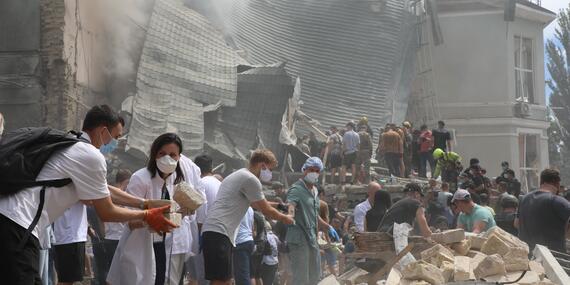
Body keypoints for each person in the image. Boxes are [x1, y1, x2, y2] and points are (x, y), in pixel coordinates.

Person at [0, 105, 175, 285]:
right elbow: (106, 212)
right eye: (115, 137)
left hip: (10, 219)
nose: (115, 143)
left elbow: (103, 189)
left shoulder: (73, 143)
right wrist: (148, 215)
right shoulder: (90, 155)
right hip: (17, 224)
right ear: (102, 131)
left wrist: (144, 203)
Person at [107, 133, 204, 285]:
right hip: (142, 245)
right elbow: (130, 220)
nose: (167, 158)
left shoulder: (177, 182)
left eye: (173, 155)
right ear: (154, 154)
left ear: (179, 157)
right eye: (162, 153)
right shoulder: (141, 178)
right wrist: (150, 219)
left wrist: (183, 213)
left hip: (168, 246)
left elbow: (170, 216)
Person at [201, 149, 294, 285]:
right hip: (219, 232)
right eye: (269, 169)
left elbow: (257, 203)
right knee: (221, 280)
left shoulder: (239, 175)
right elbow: (265, 209)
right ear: (262, 165)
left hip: (217, 232)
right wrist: (286, 218)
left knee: (224, 280)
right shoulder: (251, 179)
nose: (270, 173)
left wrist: (281, 206)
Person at [286, 157, 340, 285]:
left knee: (315, 275)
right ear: (304, 170)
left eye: (317, 170)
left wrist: (328, 227)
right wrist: (290, 215)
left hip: (311, 238)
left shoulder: (314, 191)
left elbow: (315, 215)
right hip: (299, 238)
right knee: (301, 277)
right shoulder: (296, 189)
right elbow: (291, 205)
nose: (314, 173)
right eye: (311, 170)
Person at [516, 169, 570, 253]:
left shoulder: (524, 199)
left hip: (528, 256)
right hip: (553, 259)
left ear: (541, 181)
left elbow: (516, 223)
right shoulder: (557, 201)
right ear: (558, 184)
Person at [101, 169, 132, 282]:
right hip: (118, 238)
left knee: (110, 271)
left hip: (109, 237)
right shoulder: (121, 196)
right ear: (126, 181)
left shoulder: (107, 194)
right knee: (119, 271)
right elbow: (125, 219)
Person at [53, 202, 88, 285]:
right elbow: (92, 199)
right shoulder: (75, 188)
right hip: (71, 236)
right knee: (67, 281)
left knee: (67, 279)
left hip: (68, 236)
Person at [233, 208, 255, 285]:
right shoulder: (250, 209)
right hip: (249, 240)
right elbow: (252, 229)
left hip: (240, 242)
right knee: (248, 274)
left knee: (242, 277)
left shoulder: (237, 205)